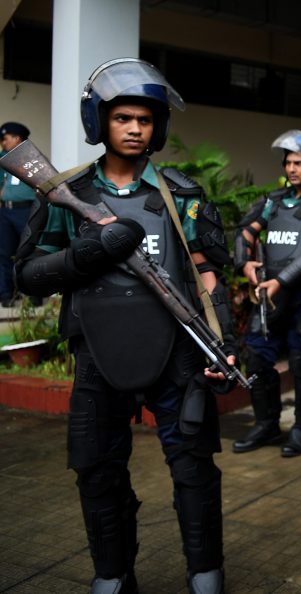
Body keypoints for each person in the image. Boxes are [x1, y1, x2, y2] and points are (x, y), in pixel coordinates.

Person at [14, 58, 235, 594]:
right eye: (123, 118)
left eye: (145, 119)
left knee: (194, 468)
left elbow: (208, 274)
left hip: (177, 355)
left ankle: (205, 571)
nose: (136, 128)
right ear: (100, 122)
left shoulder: (181, 193)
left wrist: (222, 344)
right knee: (96, 468)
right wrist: (83, 255)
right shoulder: (67, 195)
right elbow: (28, 275)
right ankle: (112, 573)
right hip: (96, 354)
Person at [231, 130, 301, 457]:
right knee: (257, 358)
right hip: (268, 296)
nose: (292, 168)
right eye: (288, 162)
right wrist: (245, 263)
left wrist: (282, 282)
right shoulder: (273, 201)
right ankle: (266, 424)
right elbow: (245, 231)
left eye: (299, 162)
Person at [0, 121, 35, 306]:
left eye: (5, 139)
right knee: (4, 253)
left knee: (29, 251)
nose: (3, 143)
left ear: (17, 138)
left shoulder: (32, 157)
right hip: (6, 211)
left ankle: (34, 294)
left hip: (26, 210)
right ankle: (6, 294)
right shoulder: (1, 158)